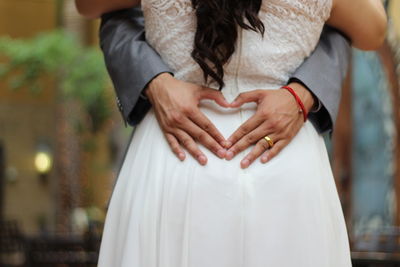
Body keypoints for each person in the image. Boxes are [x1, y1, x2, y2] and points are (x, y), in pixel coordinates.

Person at [76, 0, 386, 266]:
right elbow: (372, 30)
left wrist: (305, 93)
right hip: (281, 160)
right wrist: (153, 82)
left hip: (176, 155)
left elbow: (87, 6)